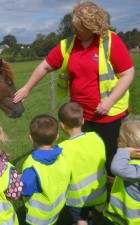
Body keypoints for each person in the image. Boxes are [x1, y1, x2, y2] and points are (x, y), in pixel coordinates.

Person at [13, 1, 134, 179]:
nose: (75, 32)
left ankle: (111, 198)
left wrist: (110, 101)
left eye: (79, 28)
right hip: (79, 116)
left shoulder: (110, 41)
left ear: (92, 26)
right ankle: (91, 196)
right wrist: (26, 88)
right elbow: (44, 67)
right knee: (85, 158)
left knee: (110, 158)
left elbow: (127, 74)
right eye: (73, 27)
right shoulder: (67, 45)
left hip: (108, 115)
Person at [58, 102, 107, 225]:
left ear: (62, 125)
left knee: (80, 219)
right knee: (88, 212)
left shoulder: (62, 148)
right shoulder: (96, 137)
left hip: (78, 198)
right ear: (83, 120)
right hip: (98, 192)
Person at [21, 114, 70, 225]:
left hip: (37, 218)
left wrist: (19, 180)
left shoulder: (31, 165)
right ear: (57, 137)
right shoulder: (61, 156)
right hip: (56, 210)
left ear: (31, 138)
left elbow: (25, 190)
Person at [104, 119, 140, 224]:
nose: (117, 140)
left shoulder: (136, 167)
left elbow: (117, 169)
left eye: (120, 139)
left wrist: (123, 151)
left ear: (131, 146)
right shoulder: (133, 165)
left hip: (132, 220)